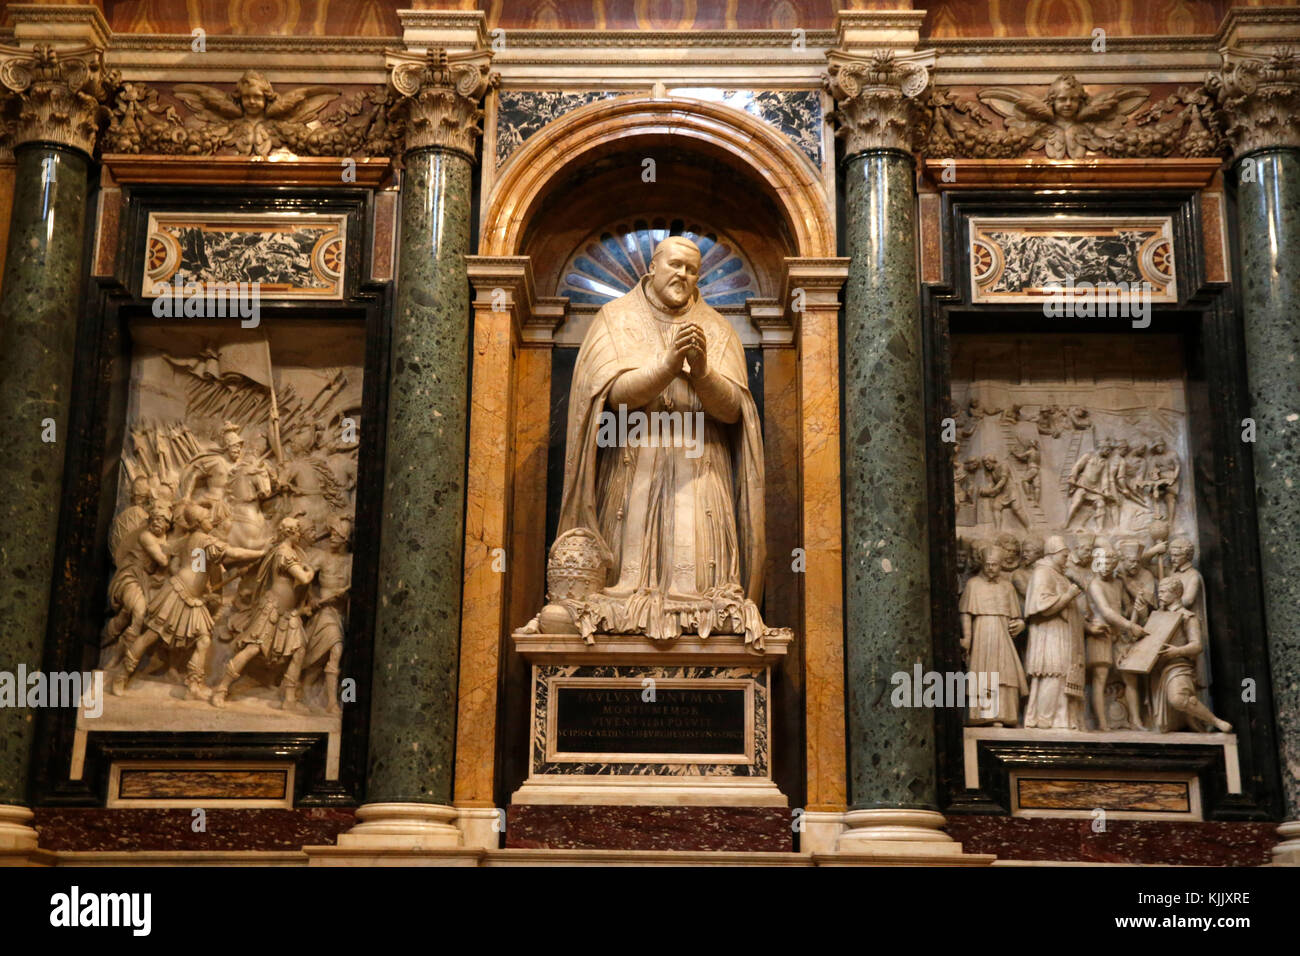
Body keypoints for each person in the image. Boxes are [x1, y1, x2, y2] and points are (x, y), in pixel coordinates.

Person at [549, 236, 772, 644]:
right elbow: (613, 395)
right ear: (652, 268)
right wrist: (669, 365)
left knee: (703, 595)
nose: (682, 275)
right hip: (632, 466)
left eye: (691, 270)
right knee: (621, 589)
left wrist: (702, 372)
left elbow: (733, 411)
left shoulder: (717, 329)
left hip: (701, 478)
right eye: (675, 265)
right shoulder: (617, 319)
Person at [112, 501, 263, 700]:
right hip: (178, 595)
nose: (212, 522)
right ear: (199, 523)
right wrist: (261, 553)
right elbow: (233, 553)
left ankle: (193, 685)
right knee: (152, 635)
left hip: (188, 594)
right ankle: (121, 676)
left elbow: (183, 566)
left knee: (203, 639)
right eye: (208, 520)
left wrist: (203, 587)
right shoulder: (203, 539)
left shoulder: (193, 541)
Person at [212, 517, 315, 709]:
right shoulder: (284, 553)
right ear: (290, 533)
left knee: (299, 649)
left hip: (286, 611)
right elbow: (303, 578)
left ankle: (289, 699)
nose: (299, 534)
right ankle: (221, 689)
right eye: (297, 531)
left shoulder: (288, 551)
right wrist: (310, 571)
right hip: (272, 609)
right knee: (253, 648)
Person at [1148, 578, 1232, 733]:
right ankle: (1189, 719)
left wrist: (1177, 651)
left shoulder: (1187, 617)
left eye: (1164, 591)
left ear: (1176, 593)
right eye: (1158, 591)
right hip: (1157, 668)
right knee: (1163, 726)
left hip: (1178, 665)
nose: (1160, 595)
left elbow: (1197, 645)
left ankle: (1215, 721)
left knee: (1178, 699)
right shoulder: (1158, 617)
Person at [958, 546, 1028, 726]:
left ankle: (1006, 714)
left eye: (995, 565)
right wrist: (967, 638)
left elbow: (1017, 616)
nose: (990, 568)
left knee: (1006, 672)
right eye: (987, 564)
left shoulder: (1007, 587)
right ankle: (983, 715)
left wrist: (1020, 624)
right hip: (982, 631)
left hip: (1003, 634)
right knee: (983, 671)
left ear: (1001, 565)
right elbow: (966, 612)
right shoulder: (973, 584)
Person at [1023, 536, 1086, 729]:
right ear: (1052, 553)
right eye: (1064, 556)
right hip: (1050, 633)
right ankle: (1045, 718)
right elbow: (1043, 607)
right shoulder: (1043, 573)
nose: (1066, 559)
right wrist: (1069, 595)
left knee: (1062, 675)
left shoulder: (1058, 574)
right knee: (1053, 673)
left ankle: (1062, 719)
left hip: (1063, 633)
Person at [1084, 547, 1147, 730]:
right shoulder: (1095, 585)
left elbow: (1123, 609)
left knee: (1129, 675)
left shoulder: (1118, 583)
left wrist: (1136, 609)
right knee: (1100, 676)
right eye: (1102, 564)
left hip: (1119, 634)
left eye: (1109, 564)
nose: (1105, 568)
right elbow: (1106, 611)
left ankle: (1136, 720)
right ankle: (1102, 723)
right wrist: (1130, 625)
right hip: (1101, 632)